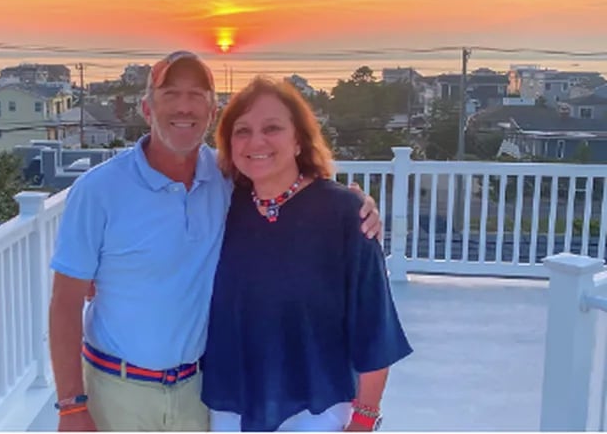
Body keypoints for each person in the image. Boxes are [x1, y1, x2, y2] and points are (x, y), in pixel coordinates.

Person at [47, 51, 383, 431]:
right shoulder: (98, 190)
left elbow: (288, 190)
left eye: (197, 96)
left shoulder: (227, 179)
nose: (184, 107)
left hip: (198, 392)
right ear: (146, 108)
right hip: (117, 391)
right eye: (170, 93)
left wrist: (357, 205)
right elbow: (65, 301)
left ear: (211, 112)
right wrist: (71, 407)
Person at [202, 76, 412, 432]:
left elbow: (374, 325)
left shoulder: (346, 214)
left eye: (272, 128)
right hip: (231, 406)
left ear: (298, 139)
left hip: (319, 409)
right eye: (242, 131)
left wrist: (364, 417)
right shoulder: (221, 205)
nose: (256, 141)